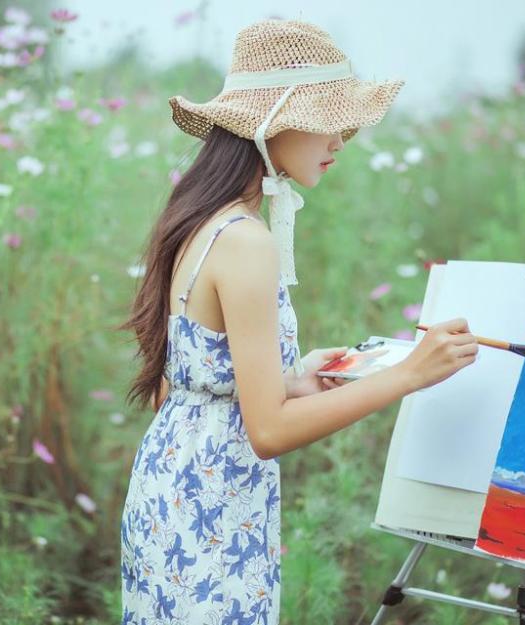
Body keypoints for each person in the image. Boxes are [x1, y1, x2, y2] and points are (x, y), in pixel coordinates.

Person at [117, 18, 478, 625]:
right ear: (270, 122)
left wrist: (292, 377)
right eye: (327, 118)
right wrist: (407, 375)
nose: (342, 138)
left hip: (175, 490)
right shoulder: (246, 242)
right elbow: (269, 433)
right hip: (212, 514)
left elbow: (180, 387)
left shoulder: (205, 219)